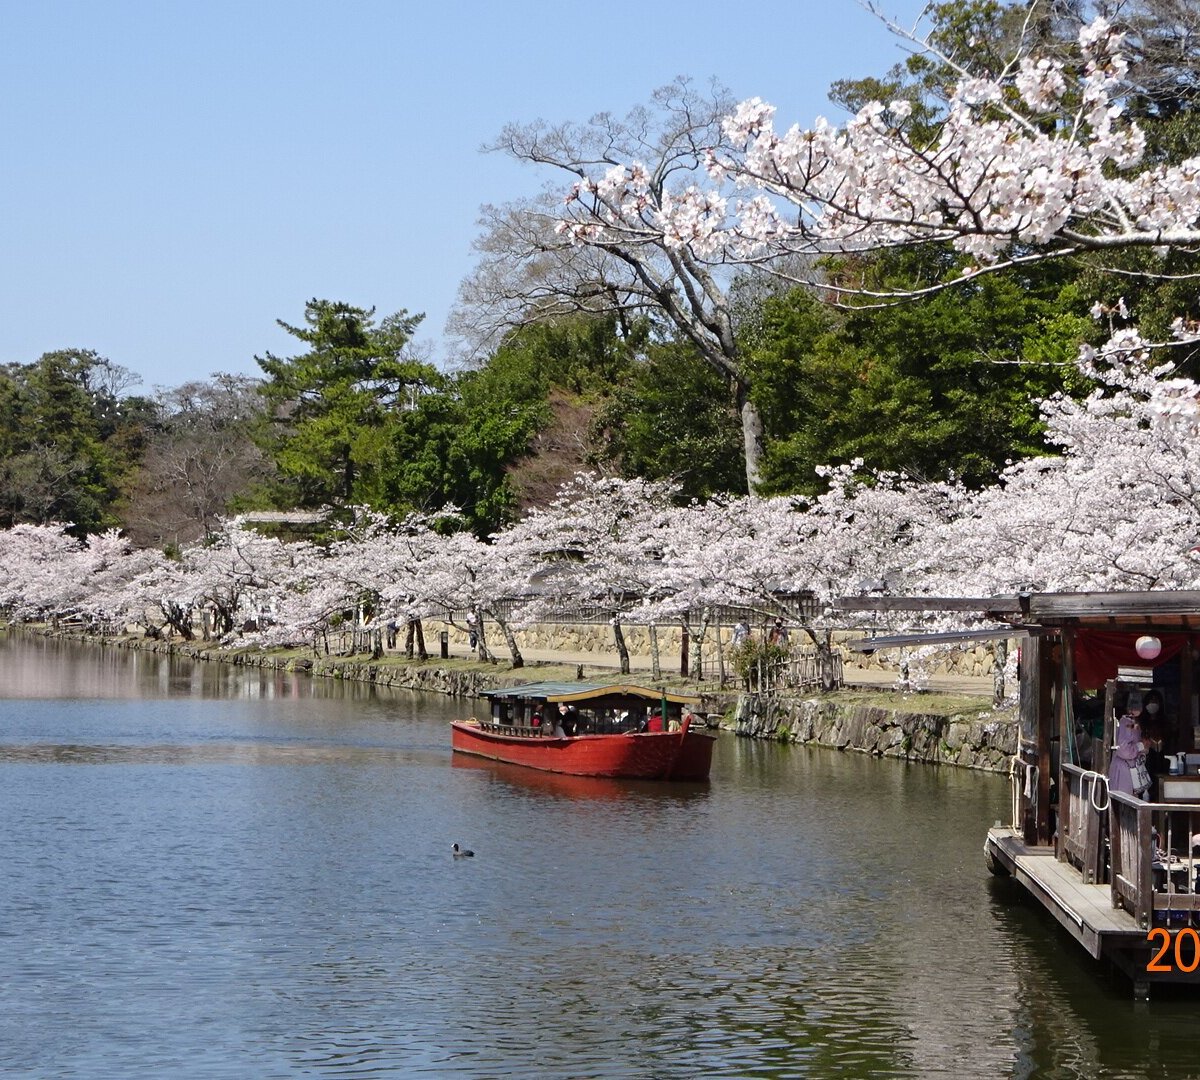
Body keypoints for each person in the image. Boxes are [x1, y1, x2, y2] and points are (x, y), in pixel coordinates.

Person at [1108, 691, 1152, 798]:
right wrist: (1141, 746)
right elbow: (1124, 750)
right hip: (1124, 770)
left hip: (1131, 770)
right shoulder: (1126, 722)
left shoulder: (1134, 723)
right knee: (1124, 804)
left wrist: (1143, 747)